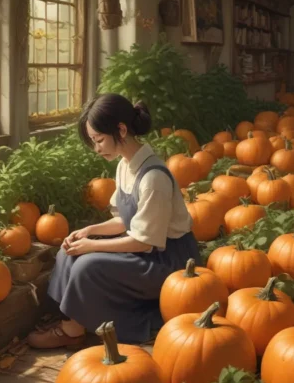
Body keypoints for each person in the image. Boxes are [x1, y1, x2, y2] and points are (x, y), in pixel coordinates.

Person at [26, 93, 200, 349]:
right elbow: (124, 220)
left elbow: (143, 241)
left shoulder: (154, 178)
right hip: (146, 249)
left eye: (99, 140)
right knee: (68, 253)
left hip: (167, 261)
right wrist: (88, 231)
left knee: (88, 265)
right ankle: (73, 322)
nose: (97, 149)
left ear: (120, 129)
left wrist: (93, 246)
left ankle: (76, 329)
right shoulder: (124, 165)